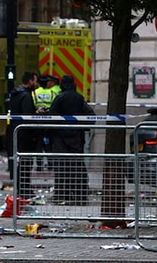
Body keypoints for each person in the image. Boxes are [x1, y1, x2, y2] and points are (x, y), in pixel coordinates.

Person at [48, 75, 94, 204]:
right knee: (78, 166)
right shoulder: (79, 98)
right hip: (76, 138)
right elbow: (91, 116)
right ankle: (80, 194)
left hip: (60, 139)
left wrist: (49, 135)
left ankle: (63, 194)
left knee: (62, 167)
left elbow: (51, 117)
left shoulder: (59, 98)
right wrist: (81, 127)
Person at [7, 72, 38, 198]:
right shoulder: (25, 96)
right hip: (25, 134)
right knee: (25, 163)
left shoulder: (15, 94)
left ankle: (23, 189)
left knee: (20, 162)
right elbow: (27, 116)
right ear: (30, 81)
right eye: (35, 81)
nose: (36, 84)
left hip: (16, 131)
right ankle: (25, 190)